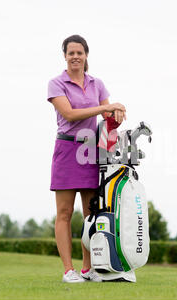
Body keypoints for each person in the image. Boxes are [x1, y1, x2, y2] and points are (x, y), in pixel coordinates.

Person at [46, 35, 126, 283]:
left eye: (79, 52)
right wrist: (105, 108)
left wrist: (116, 113)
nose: (75, 57)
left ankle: (87, 268)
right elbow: (69, 114)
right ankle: (68, 270)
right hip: (67, 149)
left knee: (91, 213)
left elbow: (107, 118)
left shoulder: (97, 84)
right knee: (64, 212)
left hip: (91, 150)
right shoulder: (56, 83)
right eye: (71, 53)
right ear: (65, 56)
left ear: (86, 55)